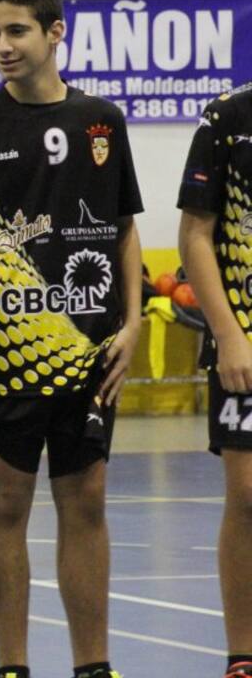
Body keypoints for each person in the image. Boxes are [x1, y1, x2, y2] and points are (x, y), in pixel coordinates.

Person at [0, 0, 142, 678]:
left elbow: (123, 228)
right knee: (5, 503)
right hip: (4, 350)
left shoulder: (101, 120)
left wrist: (134, 322)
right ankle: (13, 667)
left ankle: (93, 666)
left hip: (91, 350)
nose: (2, 45)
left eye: (16, 30)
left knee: (86, 500)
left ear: (55, 32)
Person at [177, 80, 252, 678]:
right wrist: (227, 334)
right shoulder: (227, 118)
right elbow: (195, 234)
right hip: (245, 341)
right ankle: (243, 654)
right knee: (247, 496)